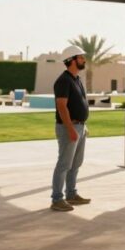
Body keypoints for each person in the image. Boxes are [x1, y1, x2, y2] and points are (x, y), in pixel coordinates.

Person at [50, 45, 91, 212]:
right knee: (64, 164)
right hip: (69, 127)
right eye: (81, 57)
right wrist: (70, 129)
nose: (83, 60)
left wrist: (82, 126)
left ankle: (71, 194)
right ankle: (57, 199)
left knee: (76, 163)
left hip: (80, 127)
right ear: (72, 60)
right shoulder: (63, 81)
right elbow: (61, 106)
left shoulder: (77, 79)